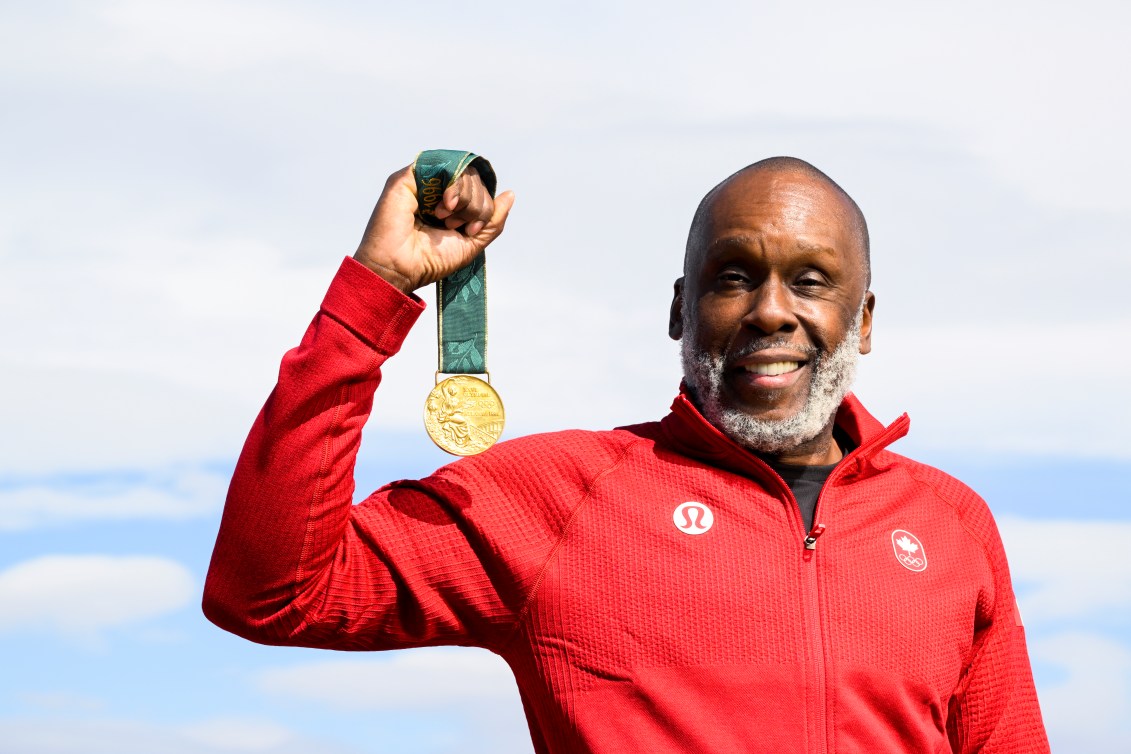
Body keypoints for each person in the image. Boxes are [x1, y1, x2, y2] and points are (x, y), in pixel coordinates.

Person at [203, 156, 1050, 753]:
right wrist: (374, 292)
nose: (769, 312)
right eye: (731, 277)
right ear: (681, 310)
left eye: (812, 281)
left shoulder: (950, 524)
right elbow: (272, 593)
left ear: (863, 320)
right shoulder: (559, 496)